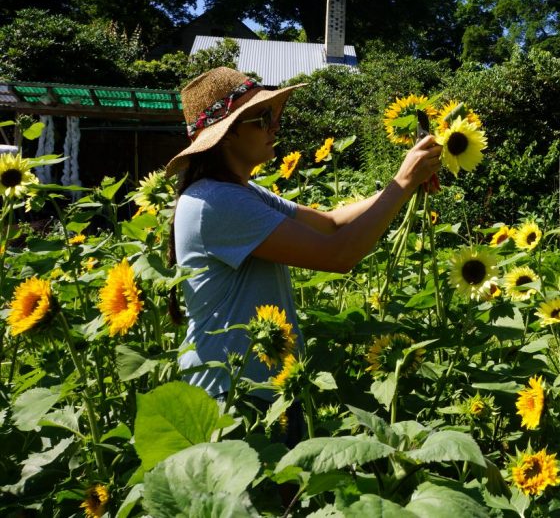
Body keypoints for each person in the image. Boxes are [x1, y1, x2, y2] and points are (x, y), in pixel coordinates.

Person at [164, 66, 441, 421]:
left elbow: (329, 223)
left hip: (262, 387)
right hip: (233, 397)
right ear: (227, 135)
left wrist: (404, 182)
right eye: (263, 118)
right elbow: (338, 253)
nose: (275, 126)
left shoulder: (239, 193)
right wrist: (402, 184)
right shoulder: (217, 202)